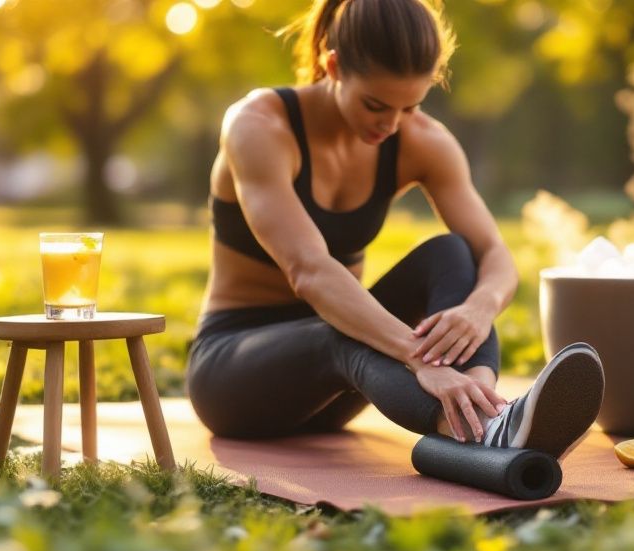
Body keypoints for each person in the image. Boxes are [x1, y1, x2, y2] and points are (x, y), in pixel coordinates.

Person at [185, 0, 604, 459]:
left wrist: (479, 309)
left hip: (336, 390)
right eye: (375, 104)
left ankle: (486, 409)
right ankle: (484, 428)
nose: (391, 124)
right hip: (235, 376)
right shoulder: (260, 126)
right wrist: (414, 354)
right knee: (341, 332)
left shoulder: (424, 140)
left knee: (452, 253)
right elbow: (309, 271)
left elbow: (494, 254)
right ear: (333, 65)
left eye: (411, 106)